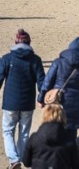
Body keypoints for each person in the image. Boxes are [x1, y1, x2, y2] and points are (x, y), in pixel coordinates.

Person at [0, 29, 45, 169]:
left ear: (15, 42)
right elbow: (41, 82)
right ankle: (22, 159)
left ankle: (14, 160)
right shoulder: (36, 60)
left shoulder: (7, 58)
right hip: (27, 103)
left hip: (10, 103)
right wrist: (42, 98)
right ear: (29, 43)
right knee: (24, 133)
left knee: (8, 131)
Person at [37, 37, 79, 139]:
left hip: (58, 101)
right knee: (72, 134)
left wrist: (41, 99)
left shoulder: (58, 62)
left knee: (56, 131)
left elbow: (47, 81)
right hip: (77, 103)